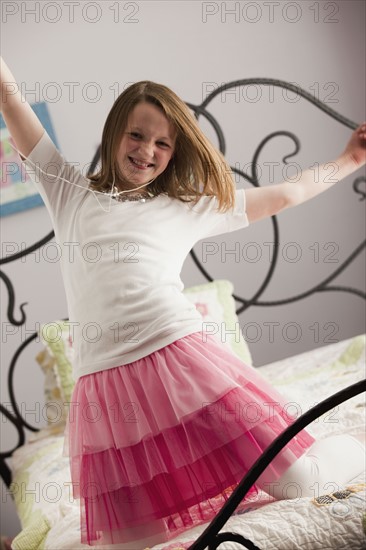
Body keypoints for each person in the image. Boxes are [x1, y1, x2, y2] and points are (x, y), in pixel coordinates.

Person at [1, 57, 365, 549]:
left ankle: (353, 448)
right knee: (126, 544)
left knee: (300, 482)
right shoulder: (70, 192)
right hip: (109, 393)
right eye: (136, 135)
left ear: (174, 153)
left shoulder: (187, 206)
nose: (146, 150)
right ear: (113, 134)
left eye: (162, 143)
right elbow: (11, 98)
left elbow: (286, 194)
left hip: (187, 366)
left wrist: (351, 159)